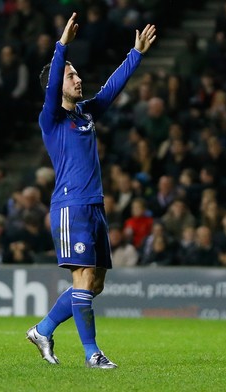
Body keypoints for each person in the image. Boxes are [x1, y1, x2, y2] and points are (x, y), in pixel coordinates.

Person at [26, 12, 156, 369]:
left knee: (95, 284)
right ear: (57, 84)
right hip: (71, 206)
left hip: (94, 207)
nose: (78, 78)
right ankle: (92, 354)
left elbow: (111, 89)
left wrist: (136, 54)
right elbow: (52, 86)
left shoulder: (85, 113)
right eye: (71, 75)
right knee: (82, 278)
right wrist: (61, 46)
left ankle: (43, 329)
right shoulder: (51, 118)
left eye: (77, 73)